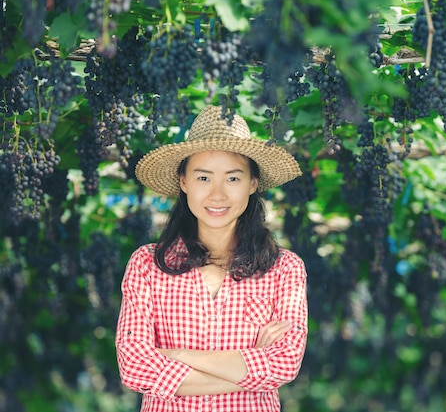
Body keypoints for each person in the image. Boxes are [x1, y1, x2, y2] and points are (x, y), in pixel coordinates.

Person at [115, 105, 308, 411]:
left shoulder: (284, 269)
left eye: (233, 179)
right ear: (183, 181)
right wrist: (252, 365)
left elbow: (284, 365)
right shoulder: (146, 264)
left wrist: (175, 355)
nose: (217, 195)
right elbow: (135, 367)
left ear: (252, 184)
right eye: (203, 178)